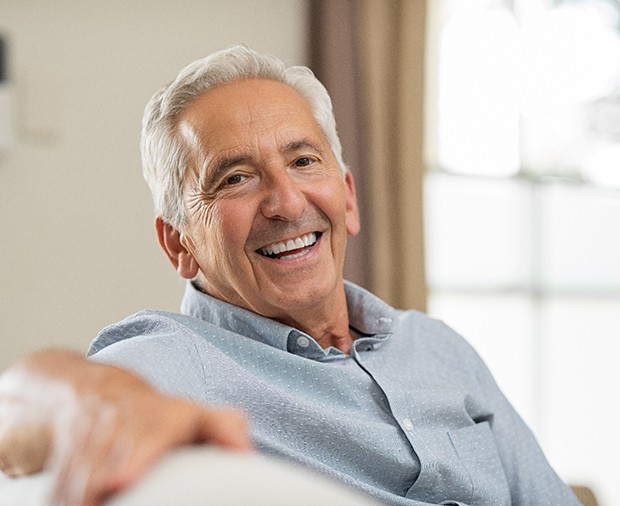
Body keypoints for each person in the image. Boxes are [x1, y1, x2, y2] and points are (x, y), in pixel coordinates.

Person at [0, 45, 579, 506]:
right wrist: (96, 402)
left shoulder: (439, 348)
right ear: (180, 245)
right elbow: (18, 407)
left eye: (303, 161)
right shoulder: (177, 360)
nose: (284, 201)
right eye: (235, 179)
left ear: (347, 198)